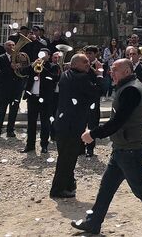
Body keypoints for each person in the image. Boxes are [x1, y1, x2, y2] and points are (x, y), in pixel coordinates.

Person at [73, 59, 142, 236]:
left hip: (130, 149)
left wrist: (93, 134)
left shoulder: (131, 90)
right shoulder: (128, 86)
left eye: (115, 70)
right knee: (106, 187)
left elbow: (117, 121)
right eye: (111, 69)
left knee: (141, 189)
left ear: (127, 71)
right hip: (122, 147)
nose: (111, 73)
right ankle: (93, 223)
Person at [50, 54, 102, 198]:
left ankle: (68, 184)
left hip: (63, 122)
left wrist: (90, 69)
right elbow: (98, 91)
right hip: (72, 124)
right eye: (85, 62)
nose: (88, 64)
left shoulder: (67, 74)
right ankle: (57, 190)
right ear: (75, 64)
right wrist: (99, 74)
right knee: (67, 158)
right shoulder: (81, 78)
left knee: (67, 155)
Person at [20, 50, 58, 154]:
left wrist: (43, 68)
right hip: (32, 97)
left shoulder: (53, 66)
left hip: (45, 98)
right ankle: (30, 145)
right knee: (31, 122)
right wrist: (32, 65)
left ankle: (44, 145)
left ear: (49, 56)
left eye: (44, 54)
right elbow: (23, 72)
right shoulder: (33, 65)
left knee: (45, 123)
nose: (42, 56)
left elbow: (54, 78)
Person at [0, 41, 24, 138]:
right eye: (9, 45)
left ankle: (10, 130)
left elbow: (25, 72)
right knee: (1, 110)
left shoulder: (20, 58)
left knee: (14, 110)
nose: (11, 46)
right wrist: (10, 67)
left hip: (16, 89)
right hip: (3, 89)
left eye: (13, 45)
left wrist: (21, 67)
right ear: (4, 46)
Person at [84, 46, 104, 157]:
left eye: (90, 53)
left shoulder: (100, 65)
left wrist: (98, 74)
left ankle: (90, 148)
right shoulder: (83, 64)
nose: (88, 55)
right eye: (86, 53)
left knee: (92, 125)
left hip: (93, 100)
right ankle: (80, 147)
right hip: (82, 99)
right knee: (81, 124)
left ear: (95, 54)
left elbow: (102, 86)